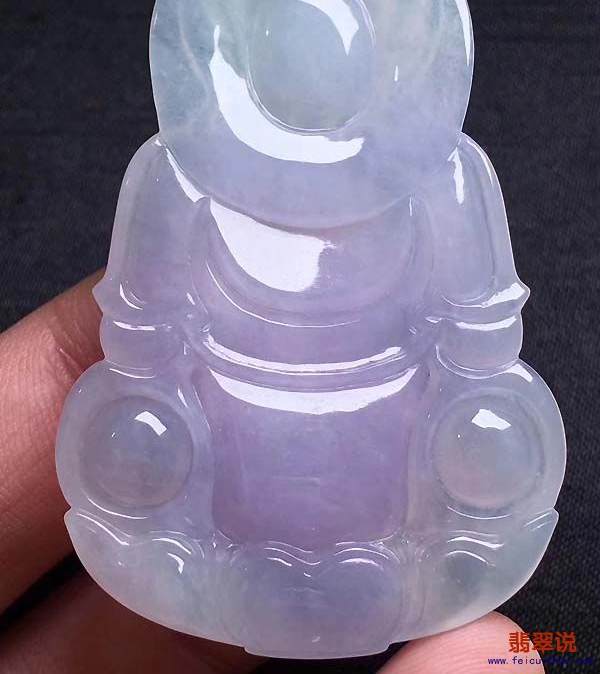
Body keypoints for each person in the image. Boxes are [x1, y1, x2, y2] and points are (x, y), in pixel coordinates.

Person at [0, 273, 543, 672]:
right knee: (131, 427)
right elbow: (136, 326)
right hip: (219, 400)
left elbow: (486, 327)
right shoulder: (177, 169)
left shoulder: (449, 171)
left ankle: (406, 563)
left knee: (494, 430)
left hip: (398, 404)